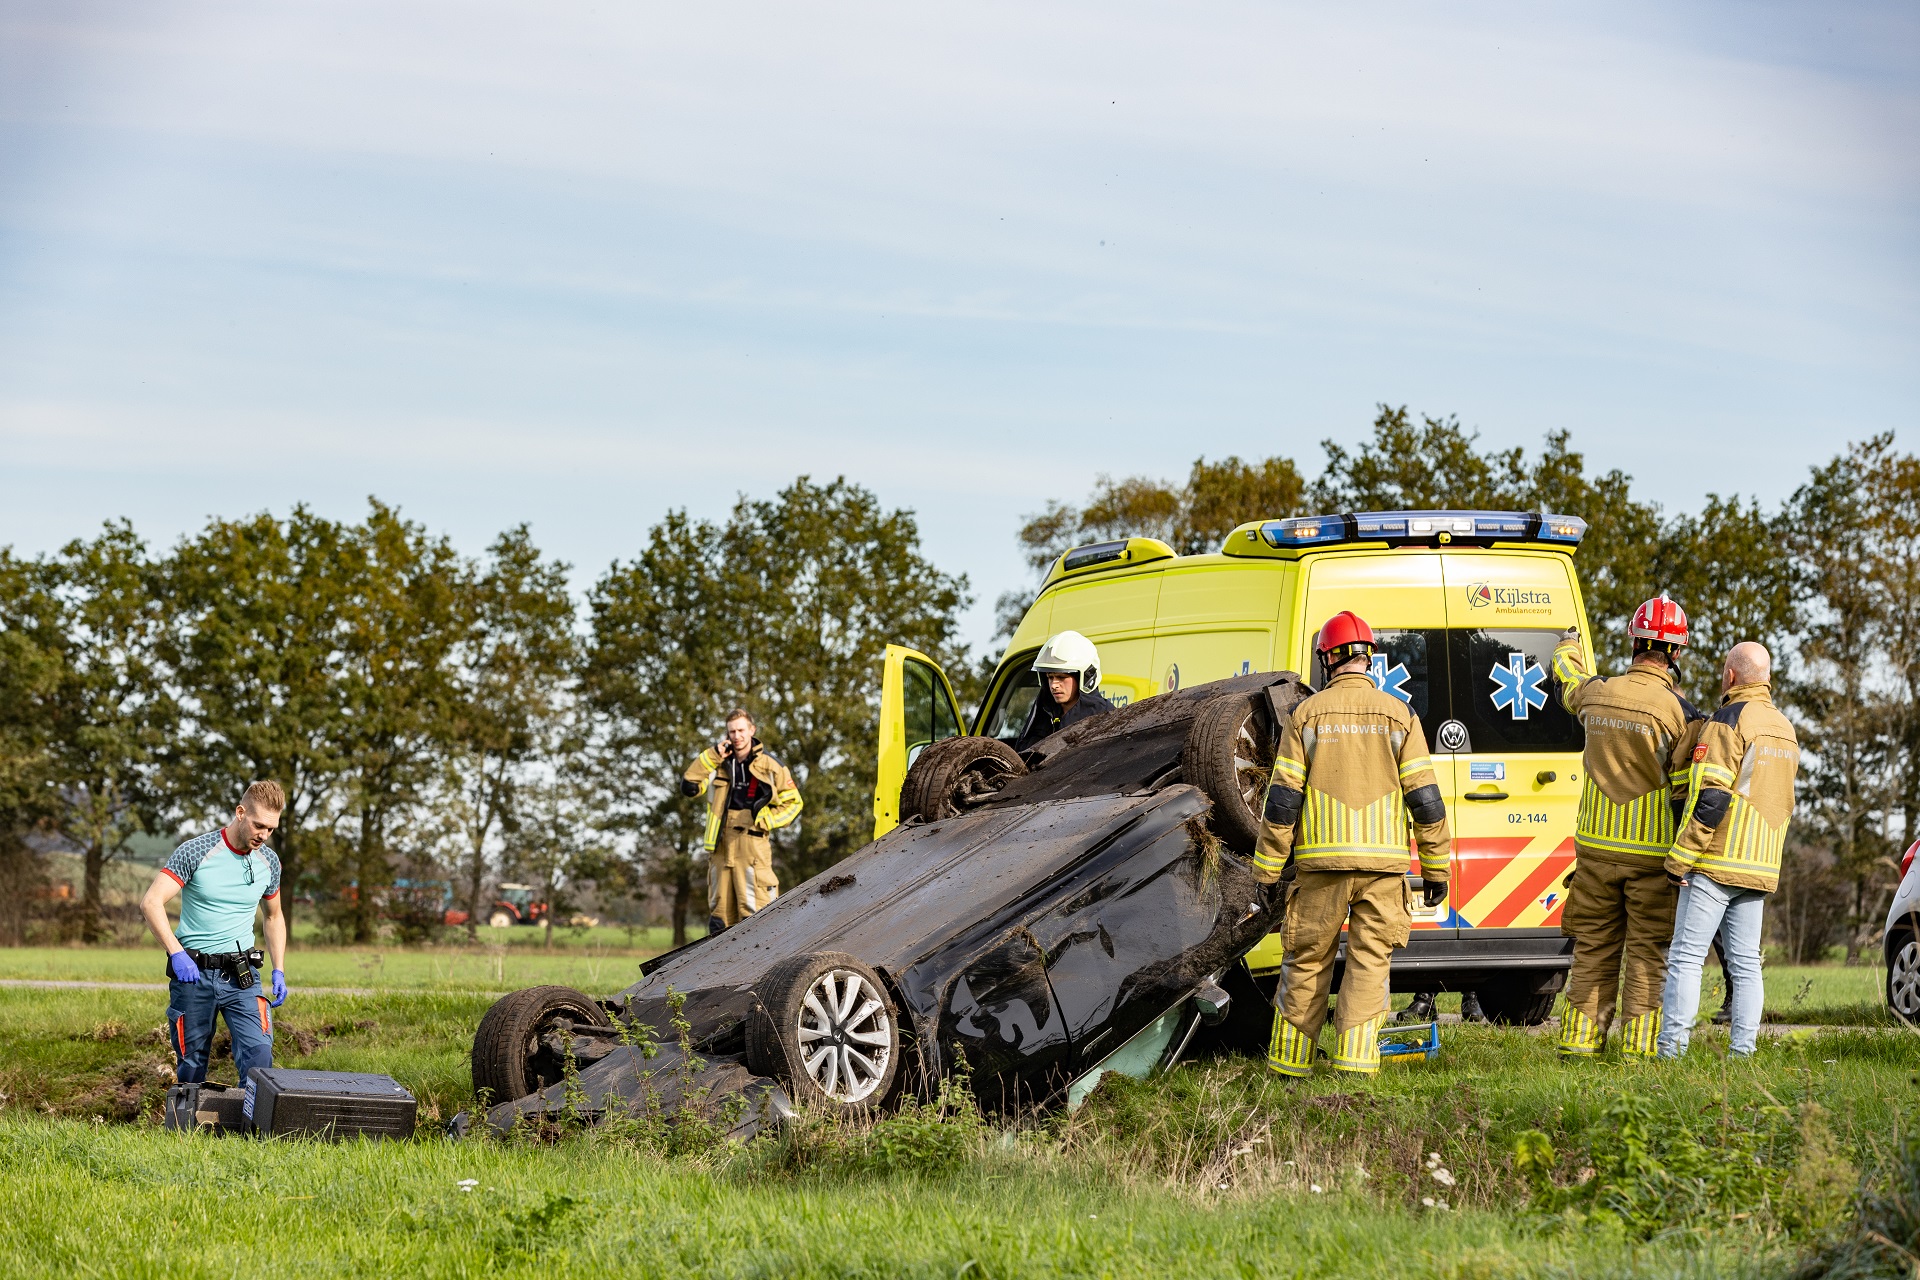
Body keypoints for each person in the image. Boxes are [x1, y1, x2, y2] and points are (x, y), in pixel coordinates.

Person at [1256, 611, 1452, 1077]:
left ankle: (1288, 1067)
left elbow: (1282, 803)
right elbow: (1426, 801)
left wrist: (1266, 872)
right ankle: (1355, 1066)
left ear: (1328, 660)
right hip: (1383, 871)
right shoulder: (1399, 715)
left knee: (1305, 963)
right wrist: (1436, 868)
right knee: (1369, 966)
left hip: (1320, 868)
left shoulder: (1305, 715)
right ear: (1369, 659)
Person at [1548, 594, 1703, 1060]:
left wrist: (1567, 643)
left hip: (1594, 852)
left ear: (1635, 642)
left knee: (1593, 948)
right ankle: (1637, 1053)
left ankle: (1578, 1044)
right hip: (1651, 859)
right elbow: (1683, 794)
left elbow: (1567, 679)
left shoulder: (1597, 693)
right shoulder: (1683, 716)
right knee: (1646, 955)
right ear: (1676, 653)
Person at [1658, 642, 1799, 1059]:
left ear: (1731, 677)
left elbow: (1712, 799)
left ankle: (1671, 1052)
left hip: (1715, 864)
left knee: (1685, 957)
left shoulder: (1728, 720)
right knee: (1746, 965)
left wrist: (1680, 859)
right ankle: (1743, 1055)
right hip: (1759, 866)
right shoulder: (1786, 729)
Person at [139, 781, 289, 1086]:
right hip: (194, 974)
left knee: (260, 1056)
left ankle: (249, 1130)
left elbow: (274, 916)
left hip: (242, 974)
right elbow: (151, 903)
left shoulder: (269, 862)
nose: (264, 834)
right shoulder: (196, 851)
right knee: (191, 1064)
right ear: (240, 812)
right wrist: (176, 953)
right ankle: (186, 1131)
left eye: (271, 829)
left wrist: (279, 969)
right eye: (259, 825)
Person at [683, 710, 804, 934]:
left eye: (741, 730)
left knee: (757, 917)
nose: (737, 736)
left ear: (752, 730)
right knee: (719, 921)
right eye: (732, 731)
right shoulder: (717, 764)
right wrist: (712, 755)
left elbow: (794, 804)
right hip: (721, 846)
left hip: (753, 846)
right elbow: (689, 786)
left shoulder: (771, 765)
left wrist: (767, 820)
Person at [1013, 631, 1114, 753]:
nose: (1054, 685)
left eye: (1061, 677)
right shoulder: (1042, 713)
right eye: (1050, 677)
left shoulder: (1105, 717)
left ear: (1085, 676)